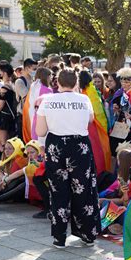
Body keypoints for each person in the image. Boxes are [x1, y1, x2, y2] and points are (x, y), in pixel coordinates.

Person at [36, 68, 101, 248]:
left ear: (57, 82)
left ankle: (59, 236)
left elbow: (40, 131)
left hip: (56, 146)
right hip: (80, 146)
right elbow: (90, 119)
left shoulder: (48, 101)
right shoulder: (84, 99)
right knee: (83, 189)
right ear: (76, 82)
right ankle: (87, 233)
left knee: (59, 191)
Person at [0, 139, 43, 211]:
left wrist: (3, 178)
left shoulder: (21, 160)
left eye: (10, 148)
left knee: (22, 181)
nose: (6, 151)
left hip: (37, 193)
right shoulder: (13, 160)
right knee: (20, 180)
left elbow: (18, 173)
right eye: (28, 153)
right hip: (28, 190)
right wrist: (3, 177)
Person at [109, 68, 131, 155]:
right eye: (122, 82)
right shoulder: (119, 92)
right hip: (120, 125)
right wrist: (115, 108)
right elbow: (114, 105)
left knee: (130, 150)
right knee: (115, 148)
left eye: (127, 82)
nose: (124, 84)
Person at [15, 58, 38, 139]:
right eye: (34, 69)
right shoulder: (20, 81)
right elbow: (28, 97)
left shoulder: (34, 80)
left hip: (33, 114)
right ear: (27, 68)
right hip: (23, 115)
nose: (35, 71)